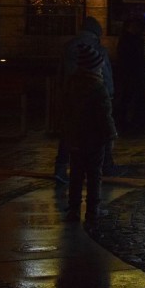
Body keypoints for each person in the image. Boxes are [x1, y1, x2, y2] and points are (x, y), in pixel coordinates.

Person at [61, 43, 118, 226]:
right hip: (95, 140)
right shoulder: (98, 88)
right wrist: (111, 136)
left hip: (76, 138)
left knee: (76, 175)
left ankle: (73, 209)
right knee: (94, 175)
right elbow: (104, 116)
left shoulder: (72, 85)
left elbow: (65, 112)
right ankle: (93, 210)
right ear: (95, 67)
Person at [54, 16, 115, 183]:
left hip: (71, 93)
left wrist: (61, 91)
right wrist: (109, 92)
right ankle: (104, 167)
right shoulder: (97, 49)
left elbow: (61, 72)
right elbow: (106, 73)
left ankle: (61, 167)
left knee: (69, 131)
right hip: (94, 95)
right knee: (97, 133)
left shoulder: (68, 47)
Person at [114, 16, 145, 135]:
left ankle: (128, 125)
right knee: (131, 100)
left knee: (128, 100)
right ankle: (132, 126)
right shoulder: (133, 41)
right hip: (132, 75)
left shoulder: (127, 40)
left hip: (130, 75)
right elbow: (136, 59)